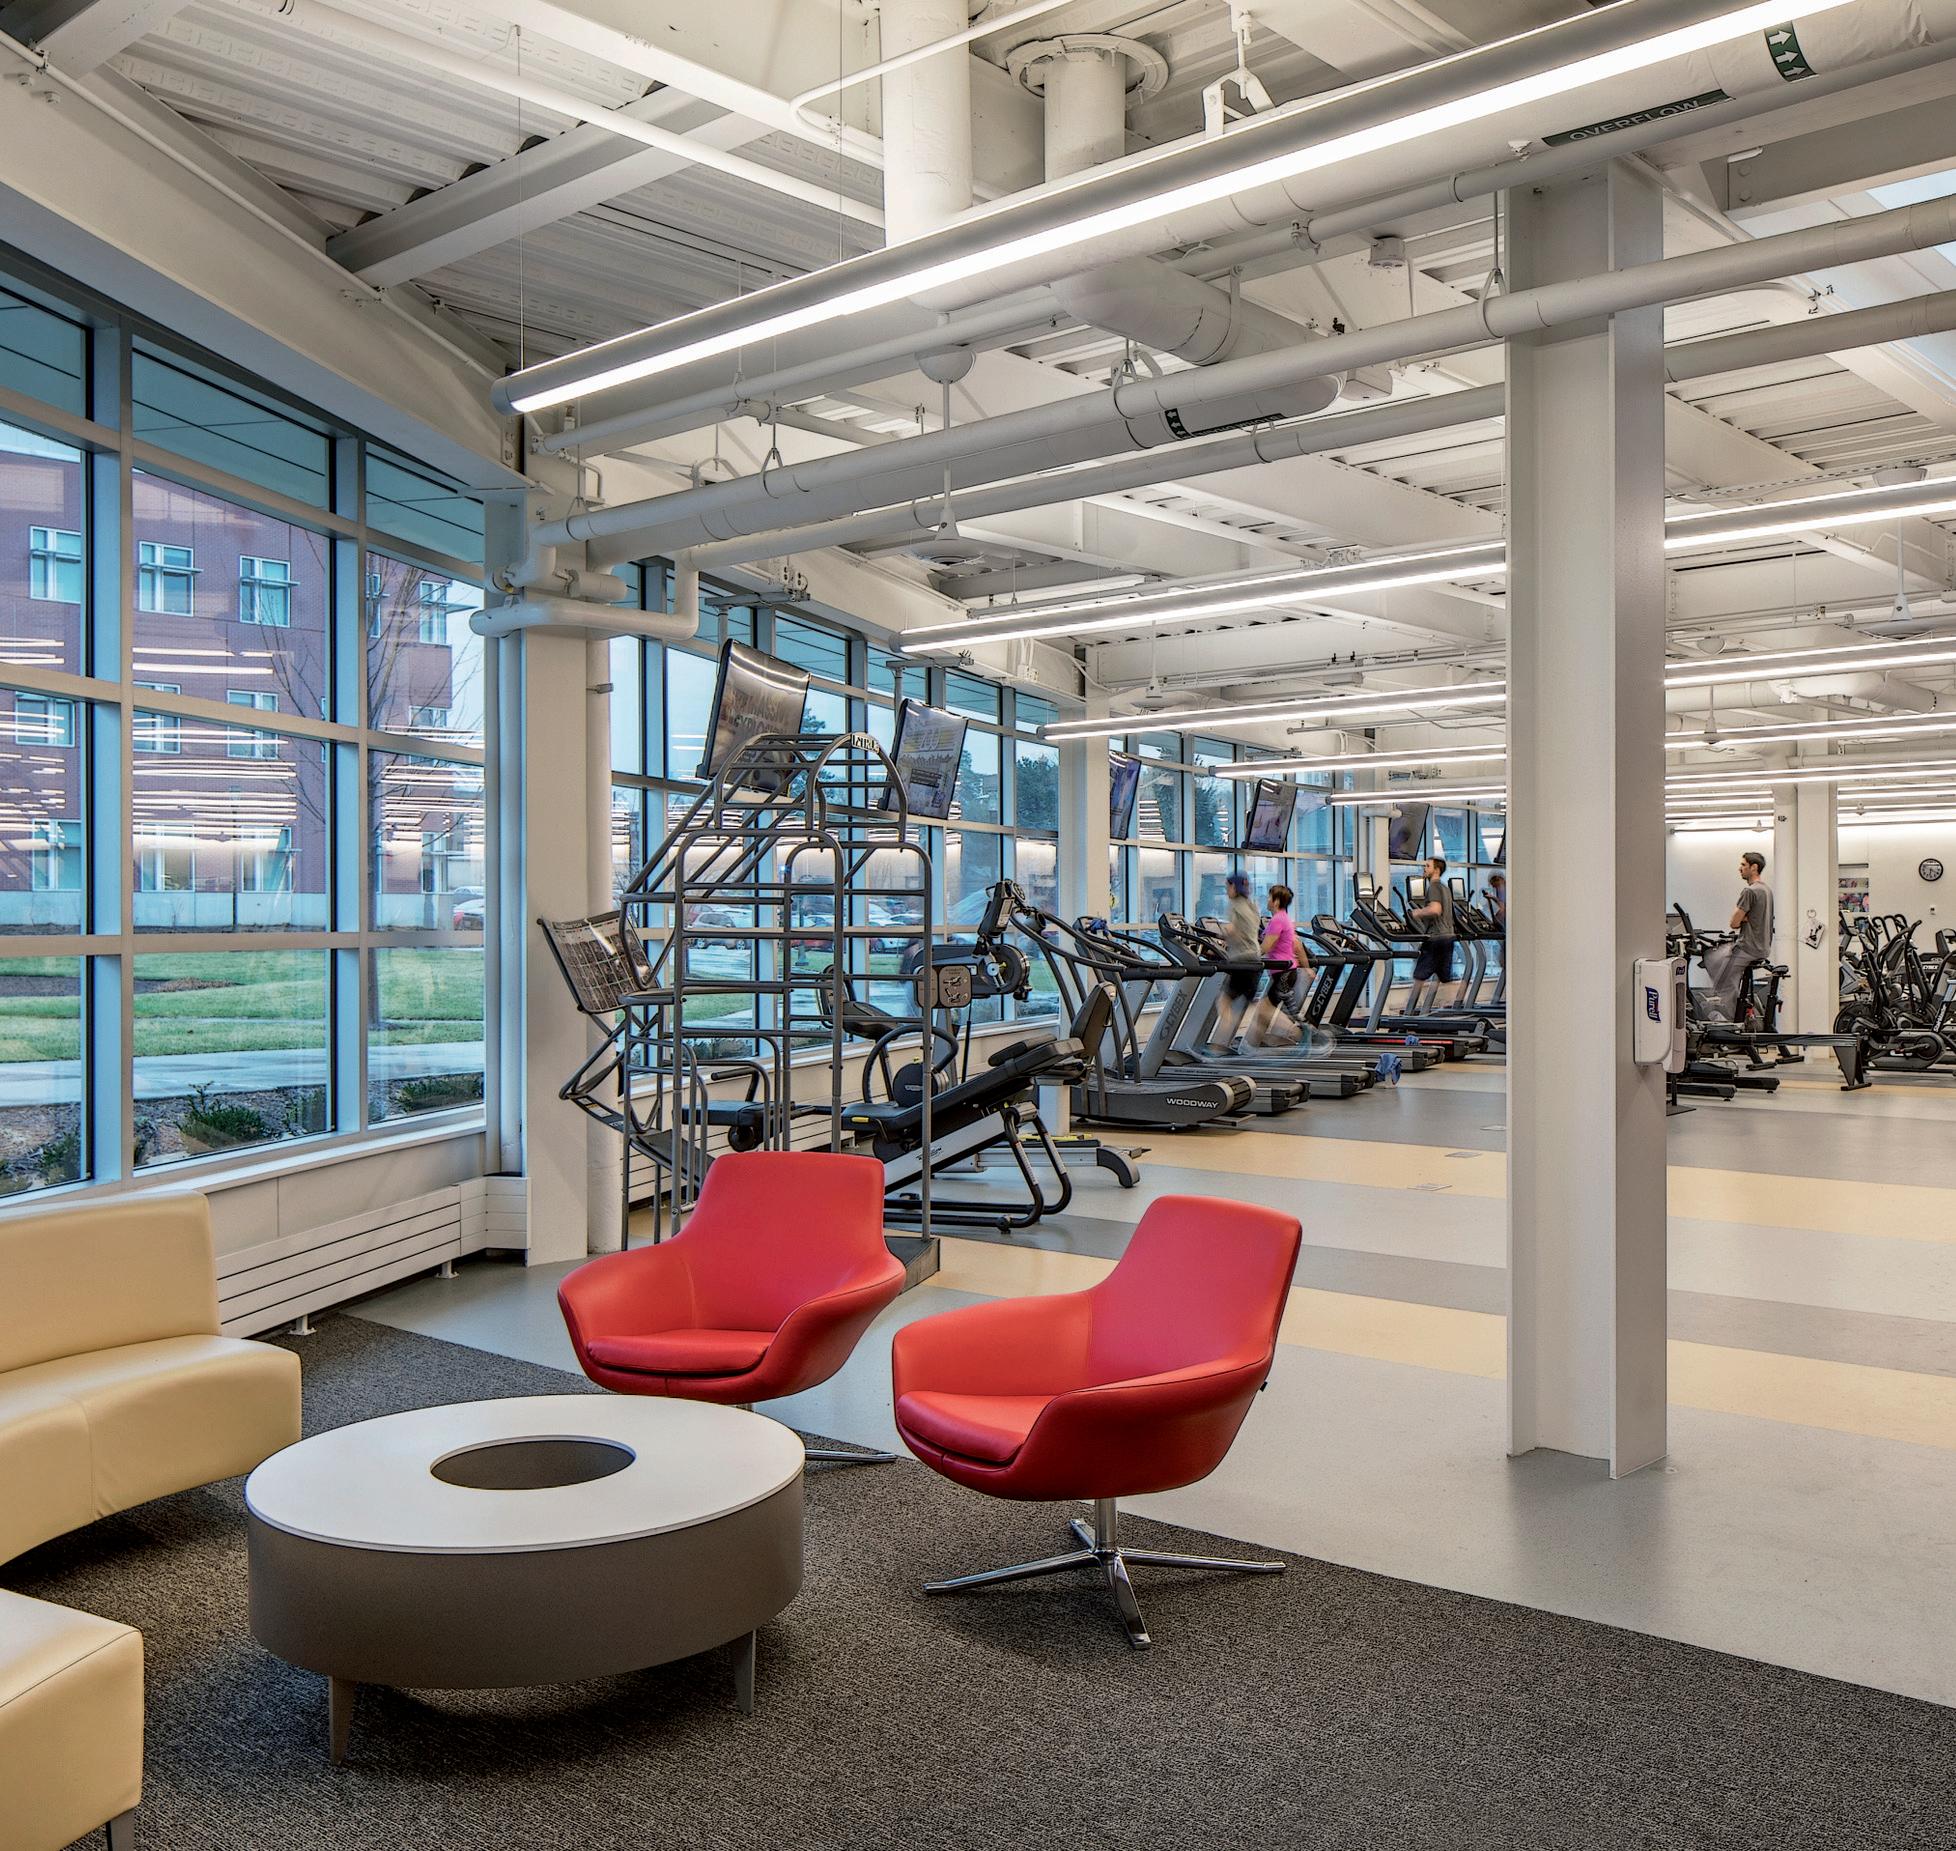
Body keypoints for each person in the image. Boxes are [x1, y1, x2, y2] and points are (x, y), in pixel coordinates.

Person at [1708, 850, 1774, 1022]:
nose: (1740, 868)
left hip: (1747, 948)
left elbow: (1734, 923)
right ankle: (1745, 1012)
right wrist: (1746, 917)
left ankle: (1736, 1022)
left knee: (1719, 980)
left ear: (1754, 867)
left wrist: (1742, 918)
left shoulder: (1749, 891)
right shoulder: (1766, 890)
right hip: (1762, 948)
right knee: (1721, 958)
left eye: (1743, 865)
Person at [1245, 883, 1311, 1047]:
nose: (1267, 900)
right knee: (1265, 1012)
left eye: (1269, 897)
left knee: (1264, 1009)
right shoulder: (1283, 918)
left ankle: (1300, 1032)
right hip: (1284, 972)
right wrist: (1307, 967)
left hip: (1284, 973)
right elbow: (1296, 945)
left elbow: (1266, 947)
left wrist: (1245, 957)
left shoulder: (1277, 920)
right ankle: (1252, 1046)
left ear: (1276, 901)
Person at [1207, 872, 1263, 1054]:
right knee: (1254, 1002)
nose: (1226, 890)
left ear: (1233, 887)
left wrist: (1218, 938)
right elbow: (1249, 931)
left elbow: (1232, 931)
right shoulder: (1251, 905)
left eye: (1227, 886)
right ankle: (1293, 1031)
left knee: (1223, 1002)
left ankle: (1217, 1048)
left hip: (1241, 960)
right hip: (1254, 959)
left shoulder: (1234, 905)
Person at [1407, 856, 1456, 1014]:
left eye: (1428, 866)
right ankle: (1453, 1004)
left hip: (1436, 937)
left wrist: (1417, 913)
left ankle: (1409, 1011)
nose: (1424, 868)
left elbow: (1435, 910)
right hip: (1448, 936)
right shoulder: (1445, 888)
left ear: (1437, 870)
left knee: (1419, 976)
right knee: (1444, 977)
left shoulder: (1433, 887)